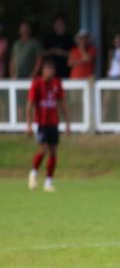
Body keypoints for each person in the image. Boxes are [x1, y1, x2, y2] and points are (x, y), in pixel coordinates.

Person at [26, 59, 69, 193]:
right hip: (42, 123)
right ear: (43, 71)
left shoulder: (57, 83)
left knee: (54, 152)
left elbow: (62, 103)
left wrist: (68, 123)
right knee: (43, 149)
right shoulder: (37, 83)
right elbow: (30, 105)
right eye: (47, 69)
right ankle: (33, 174)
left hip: (53, 122)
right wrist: (29, 124)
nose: (49, 72)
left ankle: (48, 183)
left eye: (51, 69)